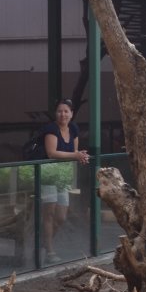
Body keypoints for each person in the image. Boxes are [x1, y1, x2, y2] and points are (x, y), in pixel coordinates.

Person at [37, 99, 89, 253]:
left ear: (71, 114)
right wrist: (75, 155)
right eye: (60, 111)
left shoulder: (73, 128)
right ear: (56, 113)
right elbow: (51, 153)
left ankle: (44, 242)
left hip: (63, 177)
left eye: (66, 111)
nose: (63, 114)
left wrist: (81, 156)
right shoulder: (51, 129)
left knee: (61, 217)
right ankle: (49, 251)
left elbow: (74, 152)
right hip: (48, 174)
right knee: (49, 214)